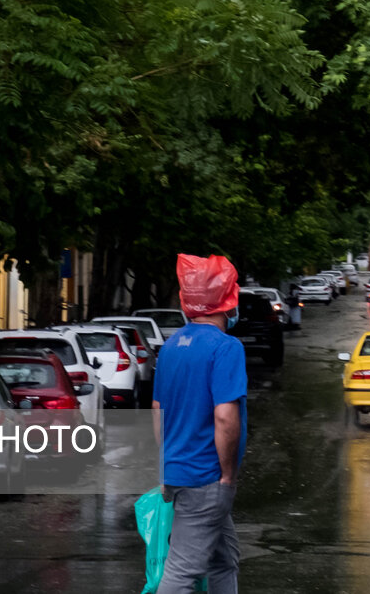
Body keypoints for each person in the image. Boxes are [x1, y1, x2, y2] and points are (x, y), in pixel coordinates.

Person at [153, 254, 248, 594]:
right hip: (206, 478)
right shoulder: (226, 348)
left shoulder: (170, 347)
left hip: (178, 473)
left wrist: (165, 463)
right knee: (182, 572)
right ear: (228, 301)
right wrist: (227, 475)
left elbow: (157, 410)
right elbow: (225, 417)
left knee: (224, 559)